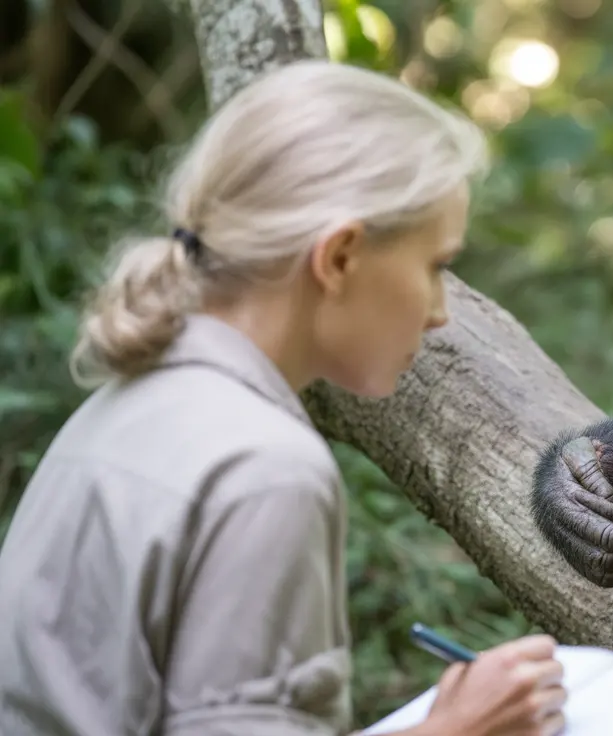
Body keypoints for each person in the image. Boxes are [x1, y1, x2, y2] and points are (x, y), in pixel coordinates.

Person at [0, 60, 566, 736]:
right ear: (339, 258)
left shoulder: (119, 408)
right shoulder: (266, 469)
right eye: (435, 267)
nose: (443, 311)